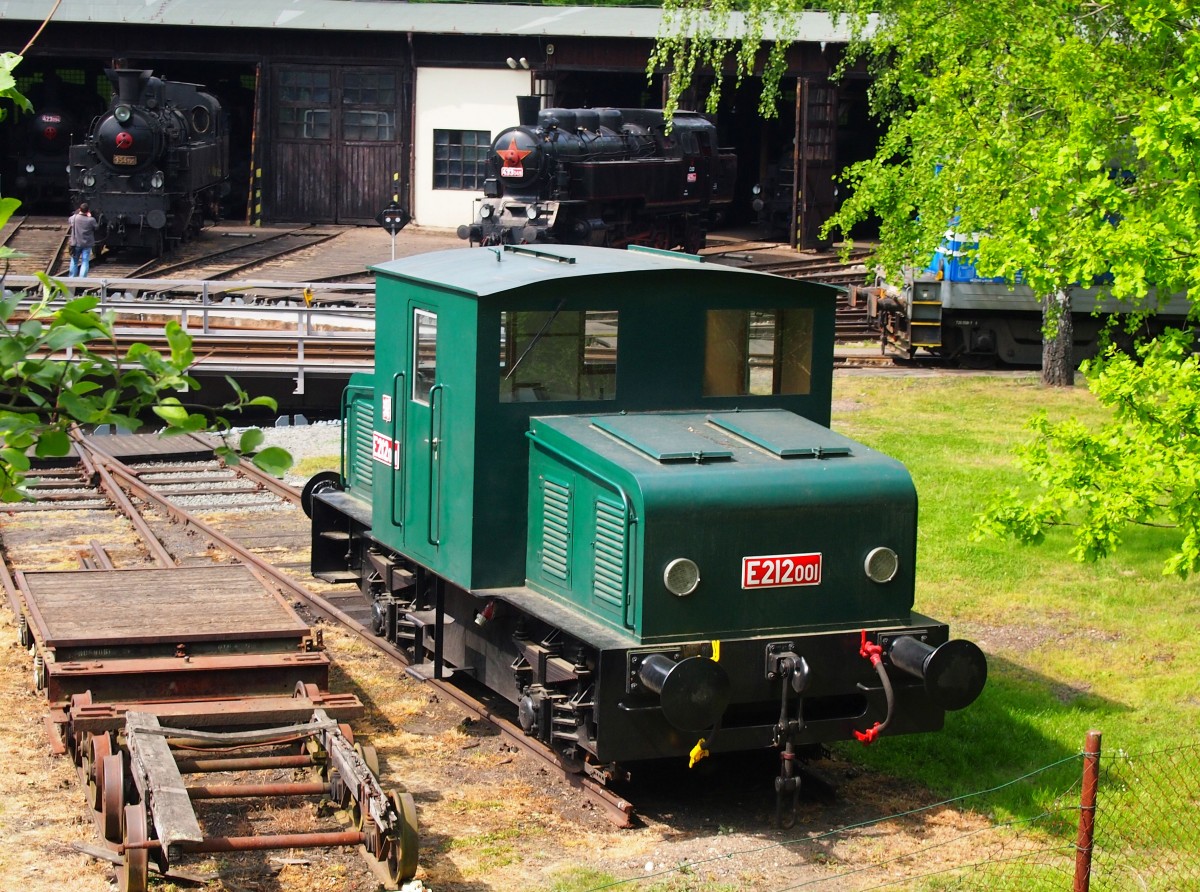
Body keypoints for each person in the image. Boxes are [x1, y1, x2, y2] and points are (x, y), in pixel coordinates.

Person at [67, 202, 99, 277]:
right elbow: (96, 227)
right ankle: (82, 278)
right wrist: (89, 216)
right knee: (85, 261)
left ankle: (71, 277)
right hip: (87, 244)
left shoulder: (74, 218)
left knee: (74, 261)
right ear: (88, 211)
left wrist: (76, 213)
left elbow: (69, 221)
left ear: (79, 209)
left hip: (75, 243)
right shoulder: (91, 220)